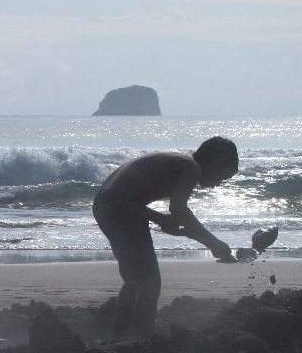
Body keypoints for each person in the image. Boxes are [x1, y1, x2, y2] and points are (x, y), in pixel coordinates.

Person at [92, 136, 238, 341]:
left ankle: (119, 339)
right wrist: (212, 243)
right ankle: (145, 339)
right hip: (123, 207)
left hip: (104, 204)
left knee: (134, 279)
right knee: (150, 282)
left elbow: (126, 196)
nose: (217, 185)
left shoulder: (178, 161)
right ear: (218, 164)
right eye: (221, 178)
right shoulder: (192, 167)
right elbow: (178, 208)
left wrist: (160, 219)